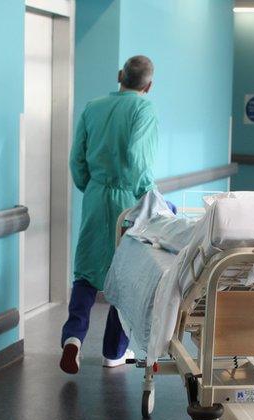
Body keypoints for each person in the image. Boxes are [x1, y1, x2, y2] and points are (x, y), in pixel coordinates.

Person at [60, 55, 158, 375]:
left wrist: (91, 187)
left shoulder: (93, 107)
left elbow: (77, 160)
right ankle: (113, 352)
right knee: (123, 274)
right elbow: (137, 159)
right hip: (127, 199)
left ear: (120, 76)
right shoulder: (144, 109)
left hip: (95, 194)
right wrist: (146, 195)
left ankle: (73, 339)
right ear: (149, 85)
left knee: (87, 270)